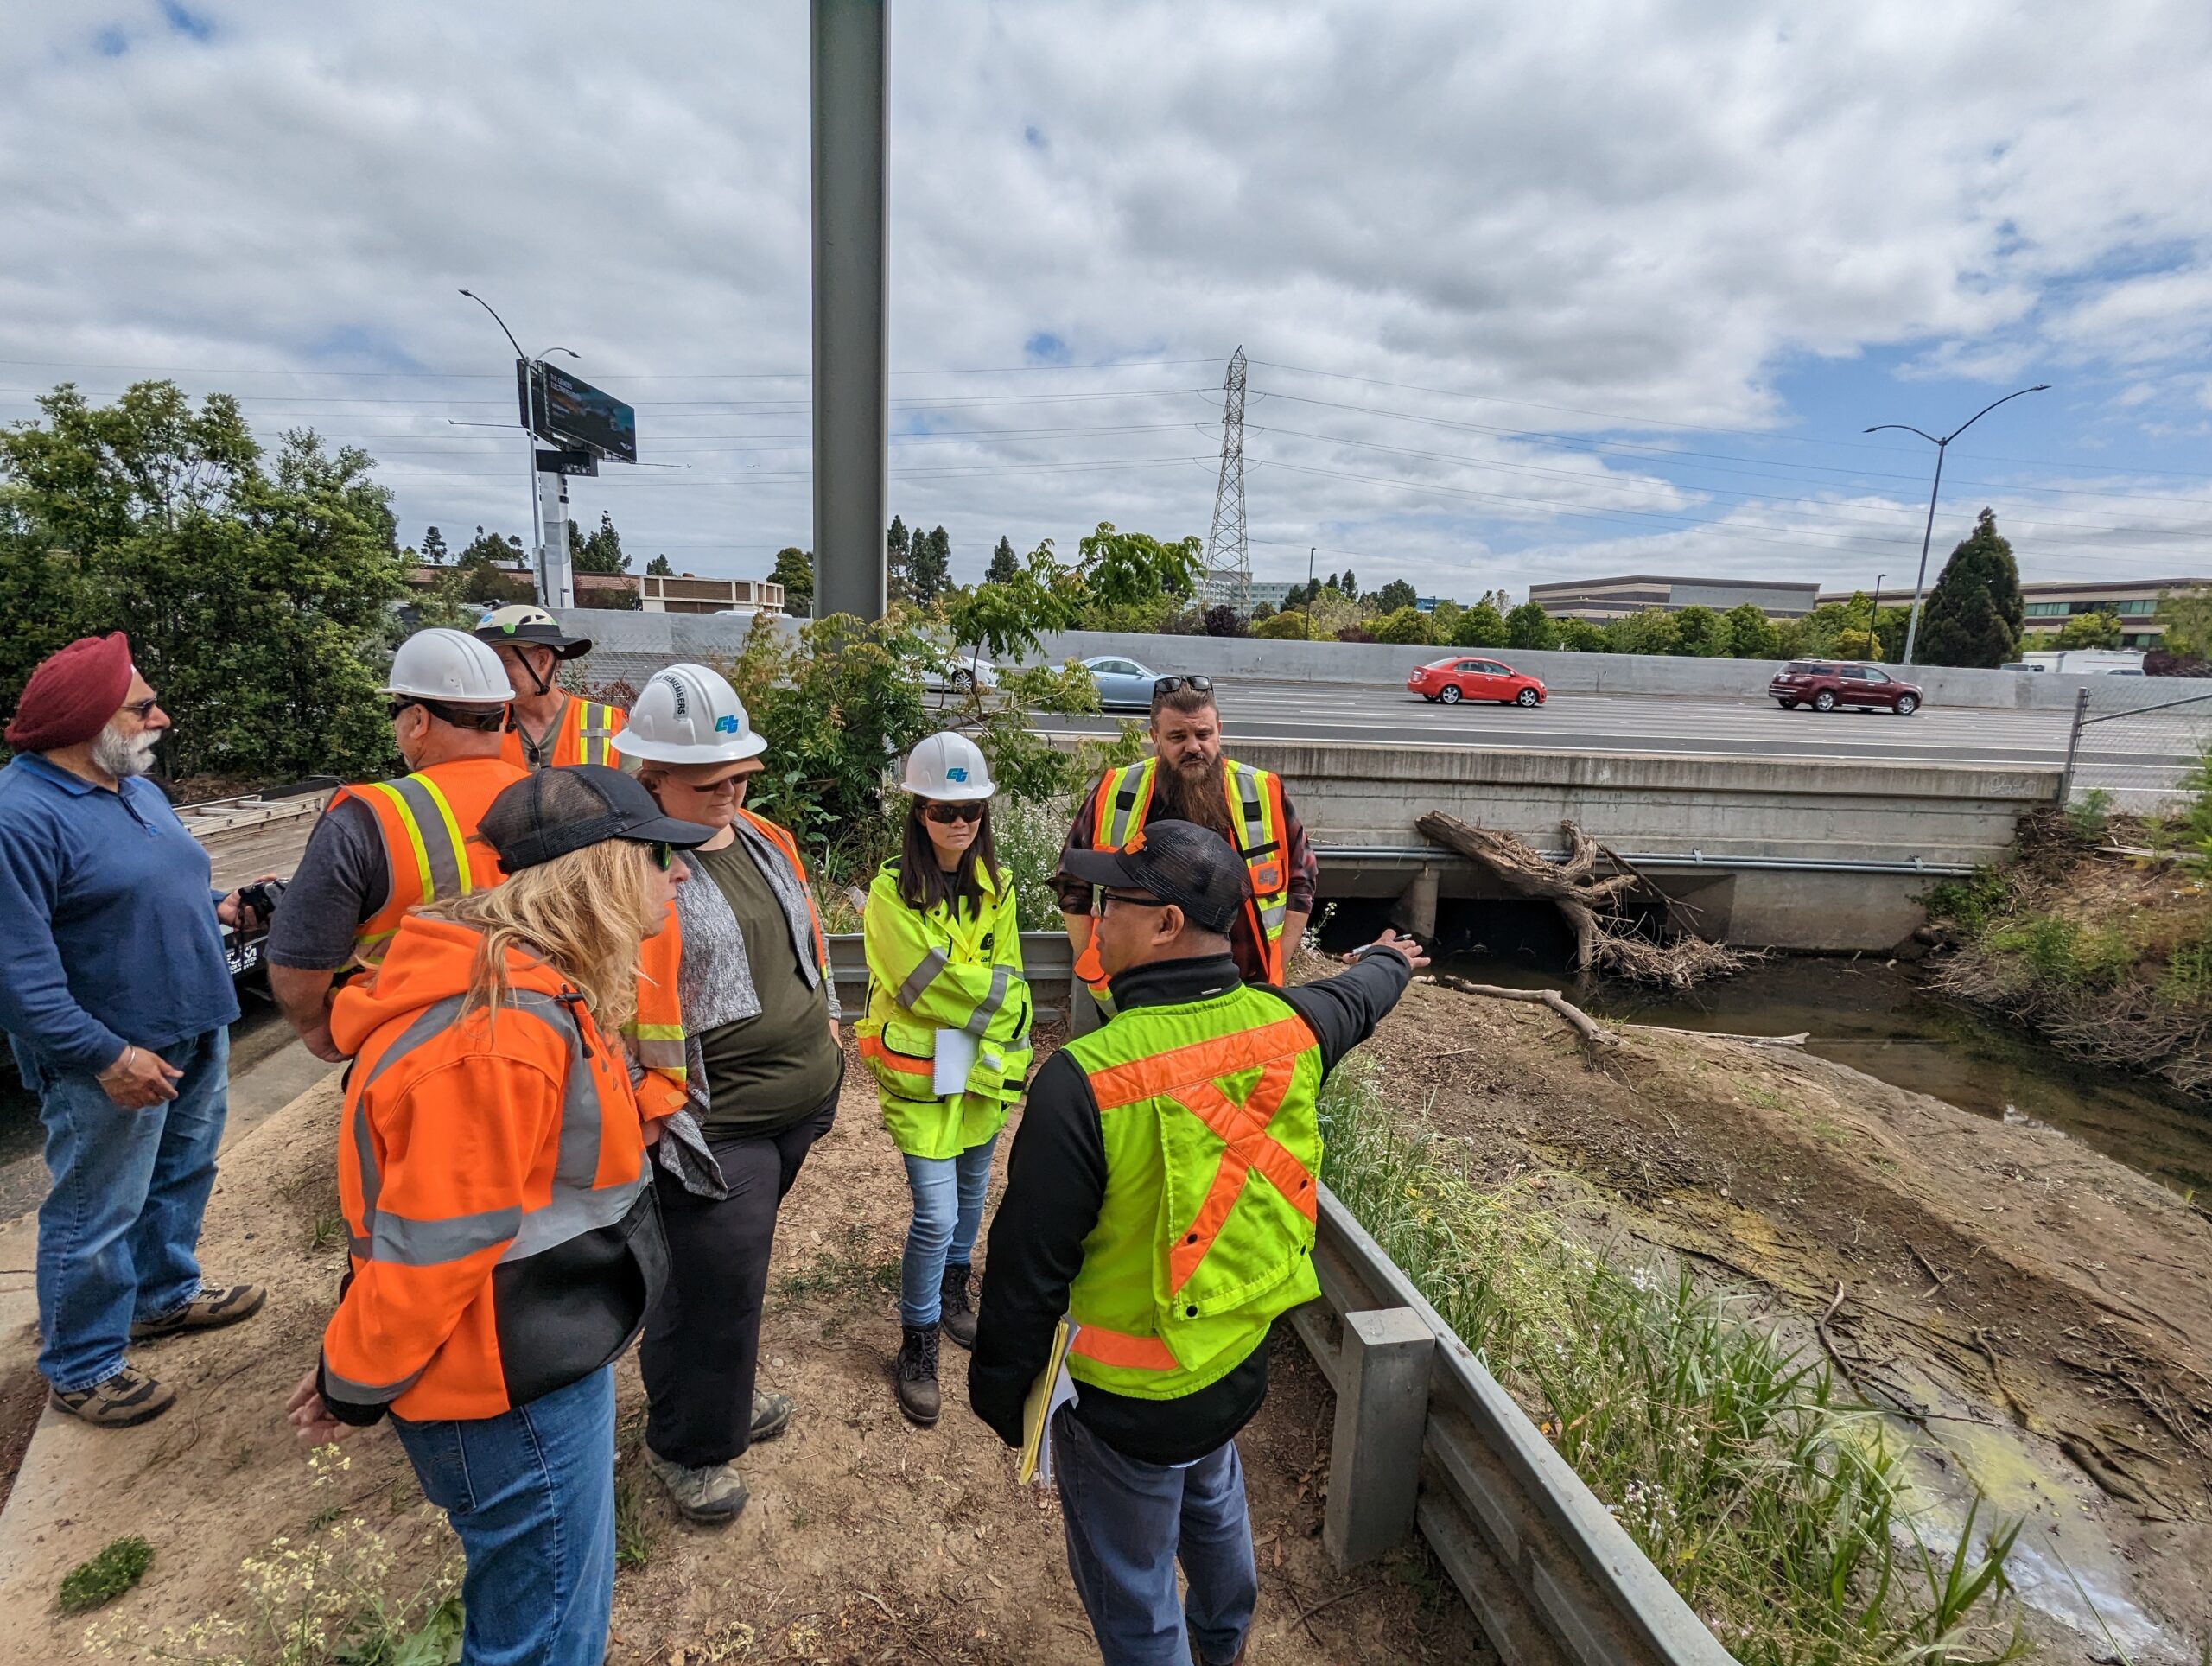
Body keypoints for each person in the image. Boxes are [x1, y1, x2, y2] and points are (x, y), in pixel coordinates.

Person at [286, 764, 712, 1666]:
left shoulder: (519, 990)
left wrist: (348, 1359)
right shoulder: (499, 1034)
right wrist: (348, 1379)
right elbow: (436, 1249)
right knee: (546, 1642)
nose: (678, 875)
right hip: (505, 1387)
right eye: (658, 857)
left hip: (516, 1360)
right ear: (598, 871)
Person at [971, 820, 1426, 1666]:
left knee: (1135, 1593)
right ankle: (1222, 1641)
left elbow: (1025, 1278)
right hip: (1234, 1362)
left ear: (1167, 922)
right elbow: (1355, 999)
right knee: (1212, 1506)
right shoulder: (1288, 1027)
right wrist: (1390, 959)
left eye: (1110, 900)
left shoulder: (1083, 1081)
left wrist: (1002, 1396)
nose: (1094, 917)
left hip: (1125, 1403)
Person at [0, 634, 270, 1428]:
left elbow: (153, 879)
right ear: (88, 720)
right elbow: (18, 973)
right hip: (110, 1056)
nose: (164, 718)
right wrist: (105, 1056)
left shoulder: (133, 789)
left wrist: (220, 903)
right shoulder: (19, 818)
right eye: (143, 706)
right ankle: (82, 1364)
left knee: (183, 1174)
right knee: (95, 1210)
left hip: (194, 1020)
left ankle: (162, 1295)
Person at [609, 663, 842, 1526]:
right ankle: (690, 1444)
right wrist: (646, 1100)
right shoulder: (626, 862)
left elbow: (801, 943)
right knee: (722, 1280)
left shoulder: (761, 836)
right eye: (710, 782)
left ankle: (710, 1396)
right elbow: (601, 996)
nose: (730, 792)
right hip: (712, 1122)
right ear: (651, 774)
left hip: (794, 1102)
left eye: (740, 775)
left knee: (710, 1277)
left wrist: (830, 1035)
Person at [859, 732, 1032, 1427]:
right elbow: (920, 985)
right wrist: (992, 993)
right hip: (921, 1080)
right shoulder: (887, 895)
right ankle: (918, 1342)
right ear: (917, 814)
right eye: (942, 810)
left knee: (969, 1201)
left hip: (982, 1078)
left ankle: (956, 1294)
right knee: (933, 1216)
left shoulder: (1002, 889)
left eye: (971, 811)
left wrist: (987, 994)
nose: (959, 823)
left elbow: (1011, 981)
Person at [267, 628, 524, 1063]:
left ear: (418, 719)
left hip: (411, 1049)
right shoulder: (549, 797)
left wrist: (313, 1026)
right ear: (500, 715)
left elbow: (300, 962)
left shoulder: (368, 815)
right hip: (539, 1029)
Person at [1059, 676, 1317, 1000]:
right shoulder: (1116, 790)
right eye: (1178, 736)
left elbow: (1301, 881)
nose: (1194, 747)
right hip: (1138, 992)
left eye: (1204, 734)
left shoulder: (1263, 791)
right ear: (1155, 737)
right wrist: (1097, 968)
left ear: (1219, 731)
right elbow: (1072, 881)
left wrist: (1277, 965)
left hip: (1244, 988)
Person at [474, 604, 626, 770]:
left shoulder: (610, 725)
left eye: (504, 661)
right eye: (489, 663)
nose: (493, 673)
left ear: (542, 660)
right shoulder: (480, 726)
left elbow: (637, 793)